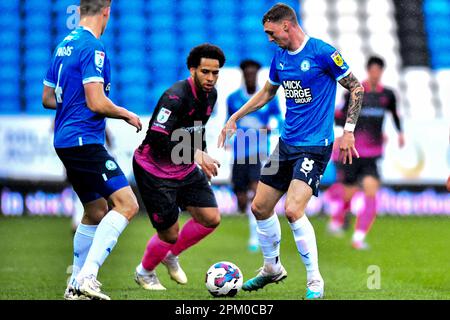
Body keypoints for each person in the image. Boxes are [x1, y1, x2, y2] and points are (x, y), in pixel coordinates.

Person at [218, 3, 364, 299]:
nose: (269, 39)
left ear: (287, 26)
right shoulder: (280, 57)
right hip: (285, 145)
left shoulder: (323, 53)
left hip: (314, 147)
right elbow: (267, 93)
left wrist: (348, 132)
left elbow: (356, 88)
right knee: (259, 207)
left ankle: (314, 282)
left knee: (293, 209)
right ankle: (272, 268)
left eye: (272, 32)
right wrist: (235, 117)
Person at [42, 0, 142, 300]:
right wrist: (126, 114)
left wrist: (72, 103)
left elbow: (47, 98)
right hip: (85, 140)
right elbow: (96, 102)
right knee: (127, 204)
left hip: (65, 140)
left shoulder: (63, 45)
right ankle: (88, 275)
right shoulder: (93, 48)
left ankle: (74, 286)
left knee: (95, 210)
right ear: (106, 12)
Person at [132, 44, 225, 290]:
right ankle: (145, 272)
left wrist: (201, 155)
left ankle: (170, 254)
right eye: (205, 72)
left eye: (215, 73)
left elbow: (196, 129)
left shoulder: (211, 95)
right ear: (192, 69)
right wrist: (197, 155)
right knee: (170, 234)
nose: (211, 78)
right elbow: (157, 137)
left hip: (183, 166)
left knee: (210, 218)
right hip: (155, 170)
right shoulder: (174, 96)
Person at [326, 56, 404, 250]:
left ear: (381, 72)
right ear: (369, 71)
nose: (375, 74)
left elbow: (394, 114)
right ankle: (339, 217)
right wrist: (339, 137)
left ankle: (358, 237)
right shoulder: (356, 92)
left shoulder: (388, 95)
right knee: (349, 192)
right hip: (353, 151)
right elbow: (340, 116)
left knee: (371, 190)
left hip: (373, 153)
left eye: (379, 71)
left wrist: (400, 133)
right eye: (373, 70)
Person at [226, 59, 282, 252]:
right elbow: (229, 121)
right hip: (240, 152)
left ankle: (254, 238)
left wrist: (271, 127)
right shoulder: (233, 98)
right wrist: (227, 140)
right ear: (243, 75)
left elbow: (278, 119)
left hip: (259, 152)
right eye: (247, 73)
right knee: (241, 200)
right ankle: (244, 212)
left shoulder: (267, 98)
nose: (250, 76)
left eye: (253, 73)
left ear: (257, 75)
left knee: (255, 194)